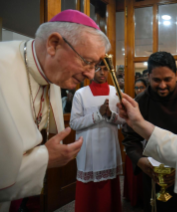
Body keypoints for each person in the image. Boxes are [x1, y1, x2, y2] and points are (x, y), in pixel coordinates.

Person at [0, 9, 110, 210]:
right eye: (87, 62)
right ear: (53, 44)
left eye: (95, 65)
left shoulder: (50, 73)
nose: (91, 74)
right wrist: (45, 158)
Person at [122, 51, 177, 212]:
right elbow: (130, 140)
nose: (162, 85)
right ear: (148, 76)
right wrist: (141, 162)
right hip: (153, 171)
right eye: (156, 80)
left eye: (167, 79)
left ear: (176, 75)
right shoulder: (141, 101)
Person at [70, 62, 124, 212]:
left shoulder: (115, 92)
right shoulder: (81, 93)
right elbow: (74, 123)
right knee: (89, 192)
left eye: (105, 69)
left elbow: (124, 120)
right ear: (90, 71)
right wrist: (98, 115)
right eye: (98, 69)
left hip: (109, 145)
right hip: (89, 149)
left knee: (109, 187)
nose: (102, 72)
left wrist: (110, 115)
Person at [123, 78, 148, 208]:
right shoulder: (132, 103)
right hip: (134, 141)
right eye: (136, 87)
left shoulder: (149, 103)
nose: (138, 90)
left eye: (141, 87)